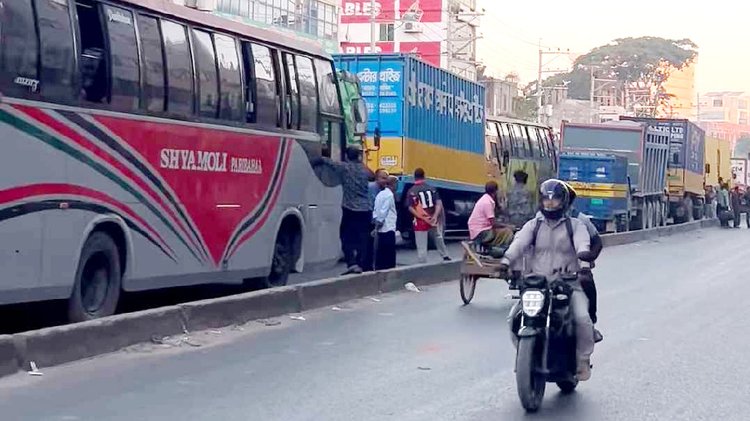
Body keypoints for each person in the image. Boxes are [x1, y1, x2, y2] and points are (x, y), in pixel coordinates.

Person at [501, 179, 595, 381]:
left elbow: (582, 244)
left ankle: (582, 360)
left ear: (563, 201)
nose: (550, 204)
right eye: (546, 199)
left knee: (582, 318)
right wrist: (505, 261)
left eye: (554, 200)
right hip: (537, 285)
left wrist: (584, 259)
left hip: (568, 284)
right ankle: (524, 356)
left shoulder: (575, 225)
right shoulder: (533, 226)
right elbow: (518, 244)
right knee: (513, 318)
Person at [314, 147, 374, 274]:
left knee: (345, 237)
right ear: (358, 157)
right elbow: (372, 176)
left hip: (350, 209)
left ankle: (352, 263)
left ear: (347, 156)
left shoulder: (344, 168)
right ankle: (361, 263)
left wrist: (317, 159)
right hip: (366, 209)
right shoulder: (364, 170)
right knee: (363, 238)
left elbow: (329, 162)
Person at [406, 168, 450, 263]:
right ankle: (445, 255)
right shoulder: (432, 188)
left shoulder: (412, 191)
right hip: (432, 218)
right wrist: (435, 216)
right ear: (424, 176)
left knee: (421, 241)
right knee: (438, 237)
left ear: (415, 177)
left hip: (420, 220)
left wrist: (421, 217)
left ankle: (422, 260)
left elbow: (410, 207)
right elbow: (438, 203)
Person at [467, 181, 514, 249]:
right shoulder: (487, 203)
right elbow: (493, 223)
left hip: (477, 230)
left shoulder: (486, 199)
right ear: (495, 192)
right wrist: (508, 226)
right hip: (481, 232)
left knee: (503, 230)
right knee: (508, 232)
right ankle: (498, 249)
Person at [362, 169, 388, 271]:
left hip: (371, 218)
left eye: (386, 178)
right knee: (369, 243)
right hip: (369, 219)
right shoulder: (373, 188)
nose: (385, 181)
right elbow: (372, 204)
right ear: (377, 178)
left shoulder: (381, 190)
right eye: (383, 178)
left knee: (371, 244)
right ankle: (367, 266)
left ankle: (369, 265)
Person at [372, 175, 398, 270]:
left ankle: (379, 268)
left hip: (381, 227)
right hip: (388, 226)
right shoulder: (389, 195)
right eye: (396, 184)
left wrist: (376, 221)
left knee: (381, 251)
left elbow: (375, 209)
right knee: (389, 253)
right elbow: (384, 210)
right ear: (393, 184)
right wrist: (379, 223)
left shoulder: (380, 194)